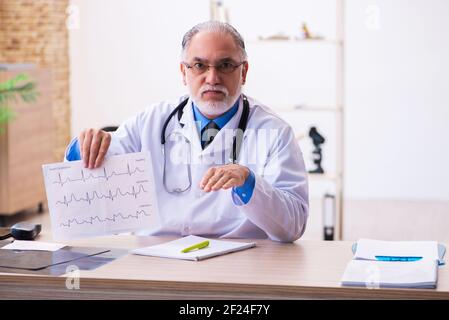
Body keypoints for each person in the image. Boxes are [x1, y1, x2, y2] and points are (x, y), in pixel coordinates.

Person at [65, 21, 309, 242]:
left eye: (225, 65)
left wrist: (249, 183)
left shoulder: (274, 132)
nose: (212, 78)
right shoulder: (151, 121)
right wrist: (86, 146)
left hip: (238, 260)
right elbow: (99, 166)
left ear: (243, 72)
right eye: (199, 65)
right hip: (156, 258)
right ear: (184, 72)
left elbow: (293, 225)